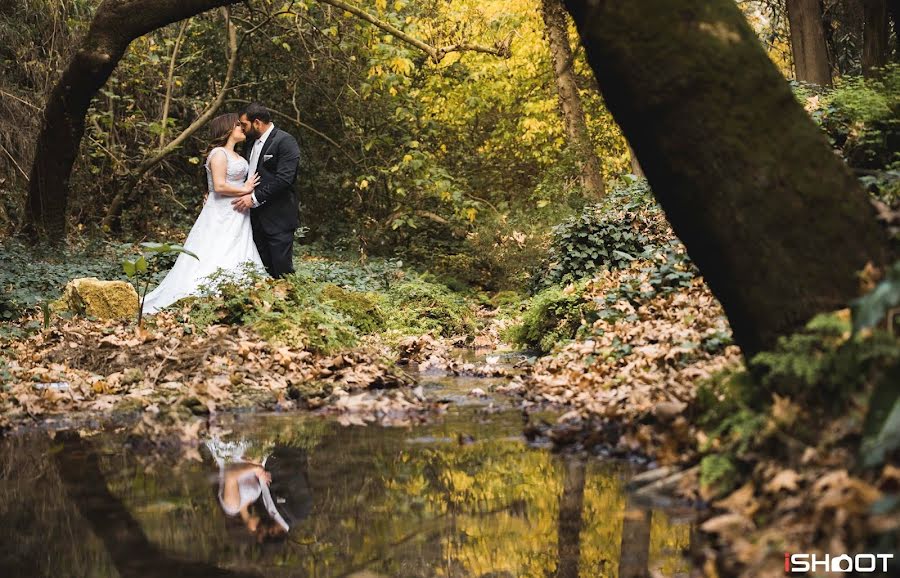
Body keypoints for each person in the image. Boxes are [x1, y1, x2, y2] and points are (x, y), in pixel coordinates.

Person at [141, 113, 265, 314]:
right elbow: (219, 185)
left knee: (236, 247)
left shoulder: (239, 156)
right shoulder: (218, 153)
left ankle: (238, 293)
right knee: (215, 249)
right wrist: (246, 188)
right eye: (237, 125)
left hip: (237, 214)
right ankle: (205, 293)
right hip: (220, 212)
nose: (242, 128)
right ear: (227, 129)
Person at [232, 103, 302, 278]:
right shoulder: (249, 143)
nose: (242, 128)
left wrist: (254, 198)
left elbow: (284, 179)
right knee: (261, 270)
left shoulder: (285, 141)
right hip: (254, 219)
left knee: (282, 269)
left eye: (244, 124)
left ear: (257, 122)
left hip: (278, 217)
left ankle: (288, 303)